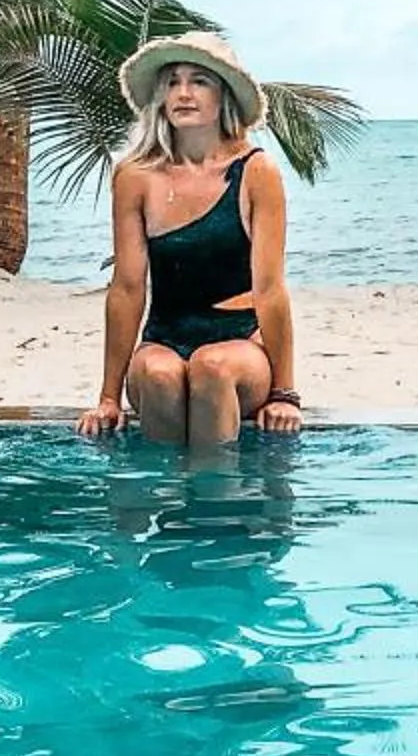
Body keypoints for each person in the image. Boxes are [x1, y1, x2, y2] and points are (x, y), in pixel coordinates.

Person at [76, 31, 303, 446]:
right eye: (173, 82)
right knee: (161, 375)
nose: (183, 93)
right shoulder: (135, 176)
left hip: (239, 342)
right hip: (163, 338)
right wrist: (109, 398)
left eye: (199, 81)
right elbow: (127, 288)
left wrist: (284, 395)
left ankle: (212, 505)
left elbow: (270, 289)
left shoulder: (257, 172)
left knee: (210, 367)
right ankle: (163, 496)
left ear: (224, 96)